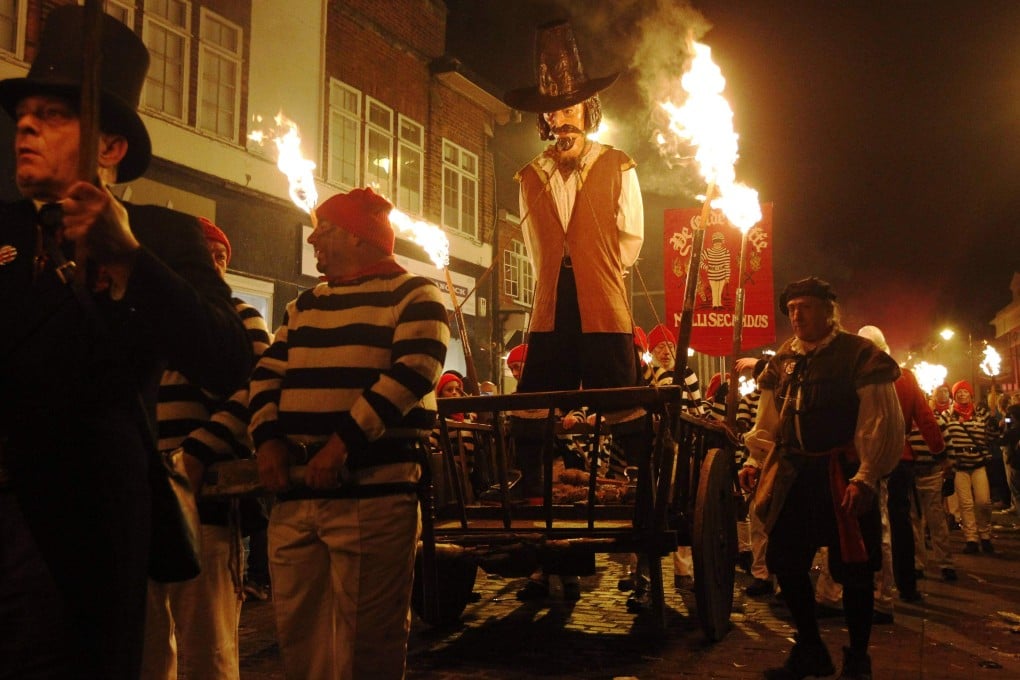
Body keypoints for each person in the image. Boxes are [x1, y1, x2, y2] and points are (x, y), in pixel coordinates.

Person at [0, 8, 251, 678]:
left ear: (109, 148)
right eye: (24, 112)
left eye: (52, 113)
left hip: (86, 532)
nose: (25, 125)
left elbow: (227, 360)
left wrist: (133, 261)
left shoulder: (163, 237)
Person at [250, 187, 449, 679]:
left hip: (372, 493)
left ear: (360, 237)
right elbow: (266, 376)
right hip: (295, 496)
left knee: (368, 642)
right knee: (299, 638)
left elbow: (413, 373)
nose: (314, 237)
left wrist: (340, 447)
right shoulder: (304, 305)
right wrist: (268, 440)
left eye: (328, 229)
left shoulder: (416, 295)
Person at [503, 20, 644, 604]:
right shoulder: (529, 175)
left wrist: (594, 270)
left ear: (590, 112)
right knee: (533, 416)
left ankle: (642, 528)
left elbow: (630, 240)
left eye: (572, 110)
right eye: (553, 114)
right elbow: (533, 246)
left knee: (626, 415)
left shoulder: (619, 165)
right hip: (548, 312)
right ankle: (538, 539)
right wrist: (557, 279)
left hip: (605, 307)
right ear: (544, 121)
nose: (562, 121)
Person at [738, 277, 903, 680]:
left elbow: (880, 421)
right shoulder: (784, 360)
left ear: (829, 311)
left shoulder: (859, 355)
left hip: (843, 473)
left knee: (856, 568)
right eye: (792, 308)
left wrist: (865, 476)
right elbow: (770, 419)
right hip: (795, 473)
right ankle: (811, 648)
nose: (796, 315)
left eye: (806, 307)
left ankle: (858, 657)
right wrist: (755, 460)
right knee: (784, 560)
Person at [141, 219, 272, 679]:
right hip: (140, 493)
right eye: (203, 256)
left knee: (206, 646)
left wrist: (198, 451)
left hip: (206, 499)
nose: (213, 266)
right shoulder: (143, 320)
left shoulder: (239, 316)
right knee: (146, 648)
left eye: (219, 256)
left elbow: (254, 390)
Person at [944, 379, 995, 554]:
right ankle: (972, 539)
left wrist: (995, 423)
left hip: (978, 463)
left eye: (965, 392)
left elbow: (992, 436)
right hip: (960, 465)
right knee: (965, 504)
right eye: (958, 393)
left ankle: (985, 535)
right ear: (954, 396)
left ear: (970, 394)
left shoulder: (981, 415)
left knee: (983, 502)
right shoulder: (948, 415)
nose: (962, 395)